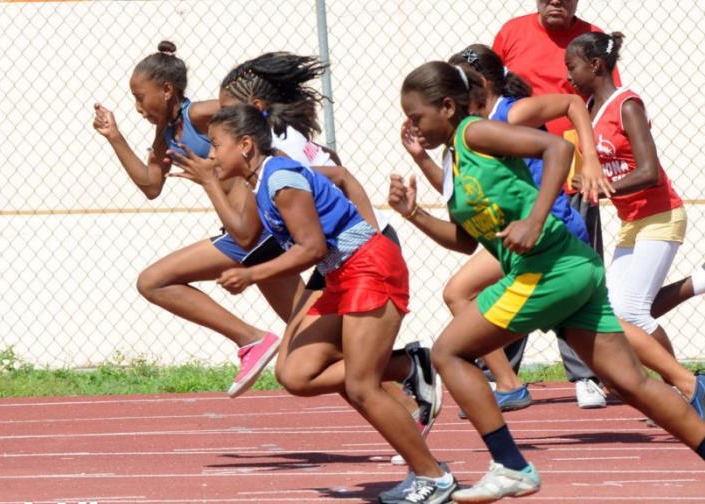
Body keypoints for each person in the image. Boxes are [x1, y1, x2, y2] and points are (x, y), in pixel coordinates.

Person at [390, 60, 705, 503]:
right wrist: (413, 213)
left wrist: (534, 220)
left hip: (549, 267)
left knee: (447, 352)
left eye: (416, 116)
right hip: (572, 268)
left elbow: (557, 150)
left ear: (448, 107)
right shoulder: (455, 158)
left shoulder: (476, 132)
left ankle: (511, 466)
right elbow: (464, 240)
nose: (411, 126)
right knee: (633, 384)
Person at [172, 103, 456, 503]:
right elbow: (245, 236)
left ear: (246, 145)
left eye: (216, 144)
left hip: (368, 268)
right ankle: (407, 364)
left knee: (361, 387)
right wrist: (209, 182)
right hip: (339, 275)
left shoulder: (281, 180)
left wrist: (252, 275)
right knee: (296, 374)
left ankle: (433, 477)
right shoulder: (264, 180)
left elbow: (311, 248)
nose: (211, 153)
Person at [401, 43, 611, 417]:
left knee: (463, 306)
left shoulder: (506, 115)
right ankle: (510, 384)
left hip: (549, 227)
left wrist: (591, 158)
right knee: (593, 329)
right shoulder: (461, 141)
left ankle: (551, 382)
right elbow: (463, 195)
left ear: (471, 89)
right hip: (515, 238)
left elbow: (570, 106)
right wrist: (420, 163)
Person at [566, 31, 705, 427]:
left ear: (596, 65)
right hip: (632, 221)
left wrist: (603, 187)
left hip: (661, 215)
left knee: (632, 310)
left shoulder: (627, 106)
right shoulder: (588, 108)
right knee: (616, 313)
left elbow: (649, 171)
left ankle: (685, 390)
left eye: (573, 67)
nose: (568, 75)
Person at [92, 41, 295, 398]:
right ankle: (391, 377)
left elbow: (248, 110)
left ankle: (251, 339)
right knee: (310, 327)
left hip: (251, 230)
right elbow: (151, 185)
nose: (138, 108)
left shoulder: (199, 115)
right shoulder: (165, 135)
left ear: (166, 90)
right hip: (253, 238)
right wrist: (115, 137)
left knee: (154, 281)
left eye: (140, 97)